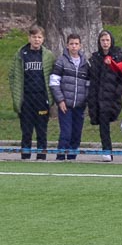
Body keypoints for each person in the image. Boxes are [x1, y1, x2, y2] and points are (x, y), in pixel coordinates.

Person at [8, 24, 55, 160]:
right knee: (26, 131)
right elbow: (12, 75)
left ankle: (41, 157)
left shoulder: (47, 56)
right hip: (26, 99)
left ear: (43, 39)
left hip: (41, 98)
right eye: (34, 37)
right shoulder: (21, 54)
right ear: (29, 38)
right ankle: (25, 157)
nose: (36, 40)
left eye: (39, 37)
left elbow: (53, 76)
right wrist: (17, 94)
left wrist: (50, 98)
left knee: (42, 130)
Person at [49, 33, 89, 161]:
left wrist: (85, 101)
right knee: (66, 133)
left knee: (76, 134)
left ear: (80, 45)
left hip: (79, 106)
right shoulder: (61, 61)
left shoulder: (85, 64)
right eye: (71, 44)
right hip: (65, 105)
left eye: (76, 44)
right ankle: (60, 157)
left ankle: (72, 158)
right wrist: (60, 100)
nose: (74, 46)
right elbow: (54, 82)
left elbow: (88, 84)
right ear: (67, 45)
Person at [87, 29, 122, 162]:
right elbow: (91, 78)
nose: (105, 43)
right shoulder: (95, 58)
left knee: (113, 122)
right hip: (99, 96)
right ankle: (107, 150)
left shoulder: (118, 56)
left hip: (112, 96)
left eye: (107, 40)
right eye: (102, 40)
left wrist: (118, 92)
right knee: (103, 124)